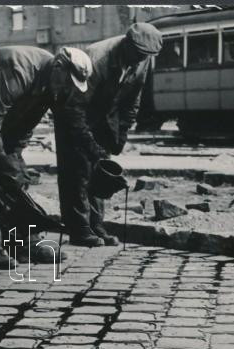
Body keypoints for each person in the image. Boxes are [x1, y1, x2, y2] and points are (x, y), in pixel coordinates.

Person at [0, 46, 92, 269]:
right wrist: (4, 163)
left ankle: (24, 244)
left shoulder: (52, 82)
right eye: (67, 82)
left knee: (15, 183)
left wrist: (15, 158)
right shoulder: (18, 68)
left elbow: (26, 125)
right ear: (59, 67)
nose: (67, 89)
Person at [56, 23, 162, 246]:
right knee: (78, 171)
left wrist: (122, 132)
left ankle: (96, 226)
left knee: (100, 172)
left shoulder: (142, 59)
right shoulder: (97, 59)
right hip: (75, 112)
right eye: (139, 54)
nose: (141, 60)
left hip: (105, 116)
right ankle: (79, 230)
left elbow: (133, 99)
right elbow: (75, 108)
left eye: (146, 56)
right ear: (127, 45)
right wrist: (90, 144)